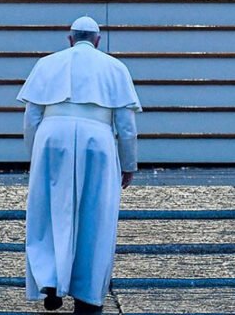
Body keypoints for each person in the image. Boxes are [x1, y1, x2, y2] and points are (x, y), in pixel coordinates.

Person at [18, 16, 141, 314]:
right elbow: (126, 127)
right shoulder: (115, 68)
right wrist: (128, 164)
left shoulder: (47, 64)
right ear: (98, 41)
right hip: (97, 139)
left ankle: (49, 280)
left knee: (49, 211)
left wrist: (36, 156)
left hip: (51, 136)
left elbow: (32, 118)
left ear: (69, 38)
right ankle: (86, 293)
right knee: (94, 215)